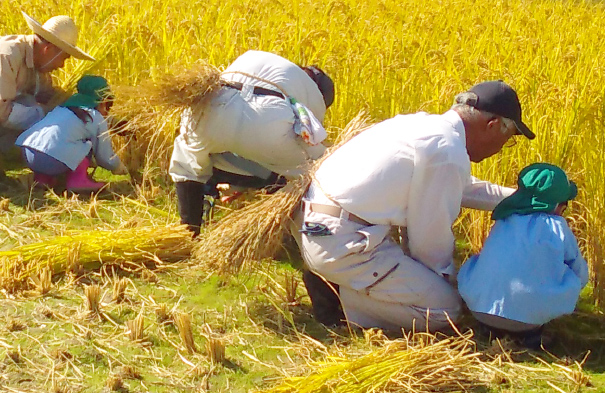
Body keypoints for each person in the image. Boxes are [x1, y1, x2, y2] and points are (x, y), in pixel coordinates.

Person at [291, 80, 535, 331]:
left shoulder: (422, 126)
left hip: (318, 224)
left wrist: (521, 198)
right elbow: (429, 241)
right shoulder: (446, 151)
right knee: (446, 310)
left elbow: (460, 186)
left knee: (431, 289)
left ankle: (335, 279)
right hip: (341, 243)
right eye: (508, 139)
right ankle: (338, 296)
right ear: (492, 125)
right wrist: (449, 284)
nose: (502, 148)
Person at [169, 50, 335, 235]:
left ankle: (188, 233)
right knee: (316, 172)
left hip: (208, 105)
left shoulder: (263, 59)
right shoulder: (314, 92)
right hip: (266, 118)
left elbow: (235, 124)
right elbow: (309, 136)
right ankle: (304, 234)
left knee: (189, 166)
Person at [457, 163, 588, 348]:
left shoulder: (504, 219)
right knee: (571, 275)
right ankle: (530, 337)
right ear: (557, 205)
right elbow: (578, 270)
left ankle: (490, 331)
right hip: (528, 321)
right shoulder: (557, 226)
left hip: (480, 310)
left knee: (476, 262)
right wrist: (574, 286)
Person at [0, 12, 94, 153]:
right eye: (64, 58)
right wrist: (47, 113)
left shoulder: (39, 68)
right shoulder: (7, 56)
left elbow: (49, 95)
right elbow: (2, 112)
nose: (62, 65)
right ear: (48, 49)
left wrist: (84, 107)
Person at [15, 75, 128, 192]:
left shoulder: (61, 109)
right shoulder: (96, 117)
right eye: (108, 105)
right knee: (86, 144)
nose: (107, 111)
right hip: (52, 160)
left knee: (62, 141)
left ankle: (43, 178)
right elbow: (104, 156)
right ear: (102, 102)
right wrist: (118, 167)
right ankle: (78, 181)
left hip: (29, 153)